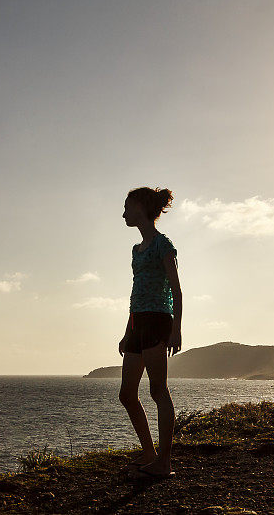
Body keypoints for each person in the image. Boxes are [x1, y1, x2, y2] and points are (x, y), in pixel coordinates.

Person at [118, 186, 182, 479]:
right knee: (127, 394)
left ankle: (164, 462)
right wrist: (125, 330)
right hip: (136, 322)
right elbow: (136, 293)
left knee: (158, 390)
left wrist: (176, 330)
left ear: (141, 208)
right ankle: (149, 452)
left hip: (158, 320)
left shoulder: (163, 245)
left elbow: (176, 290)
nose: (123, 213)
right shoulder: (137, 250)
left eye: (127, 207)